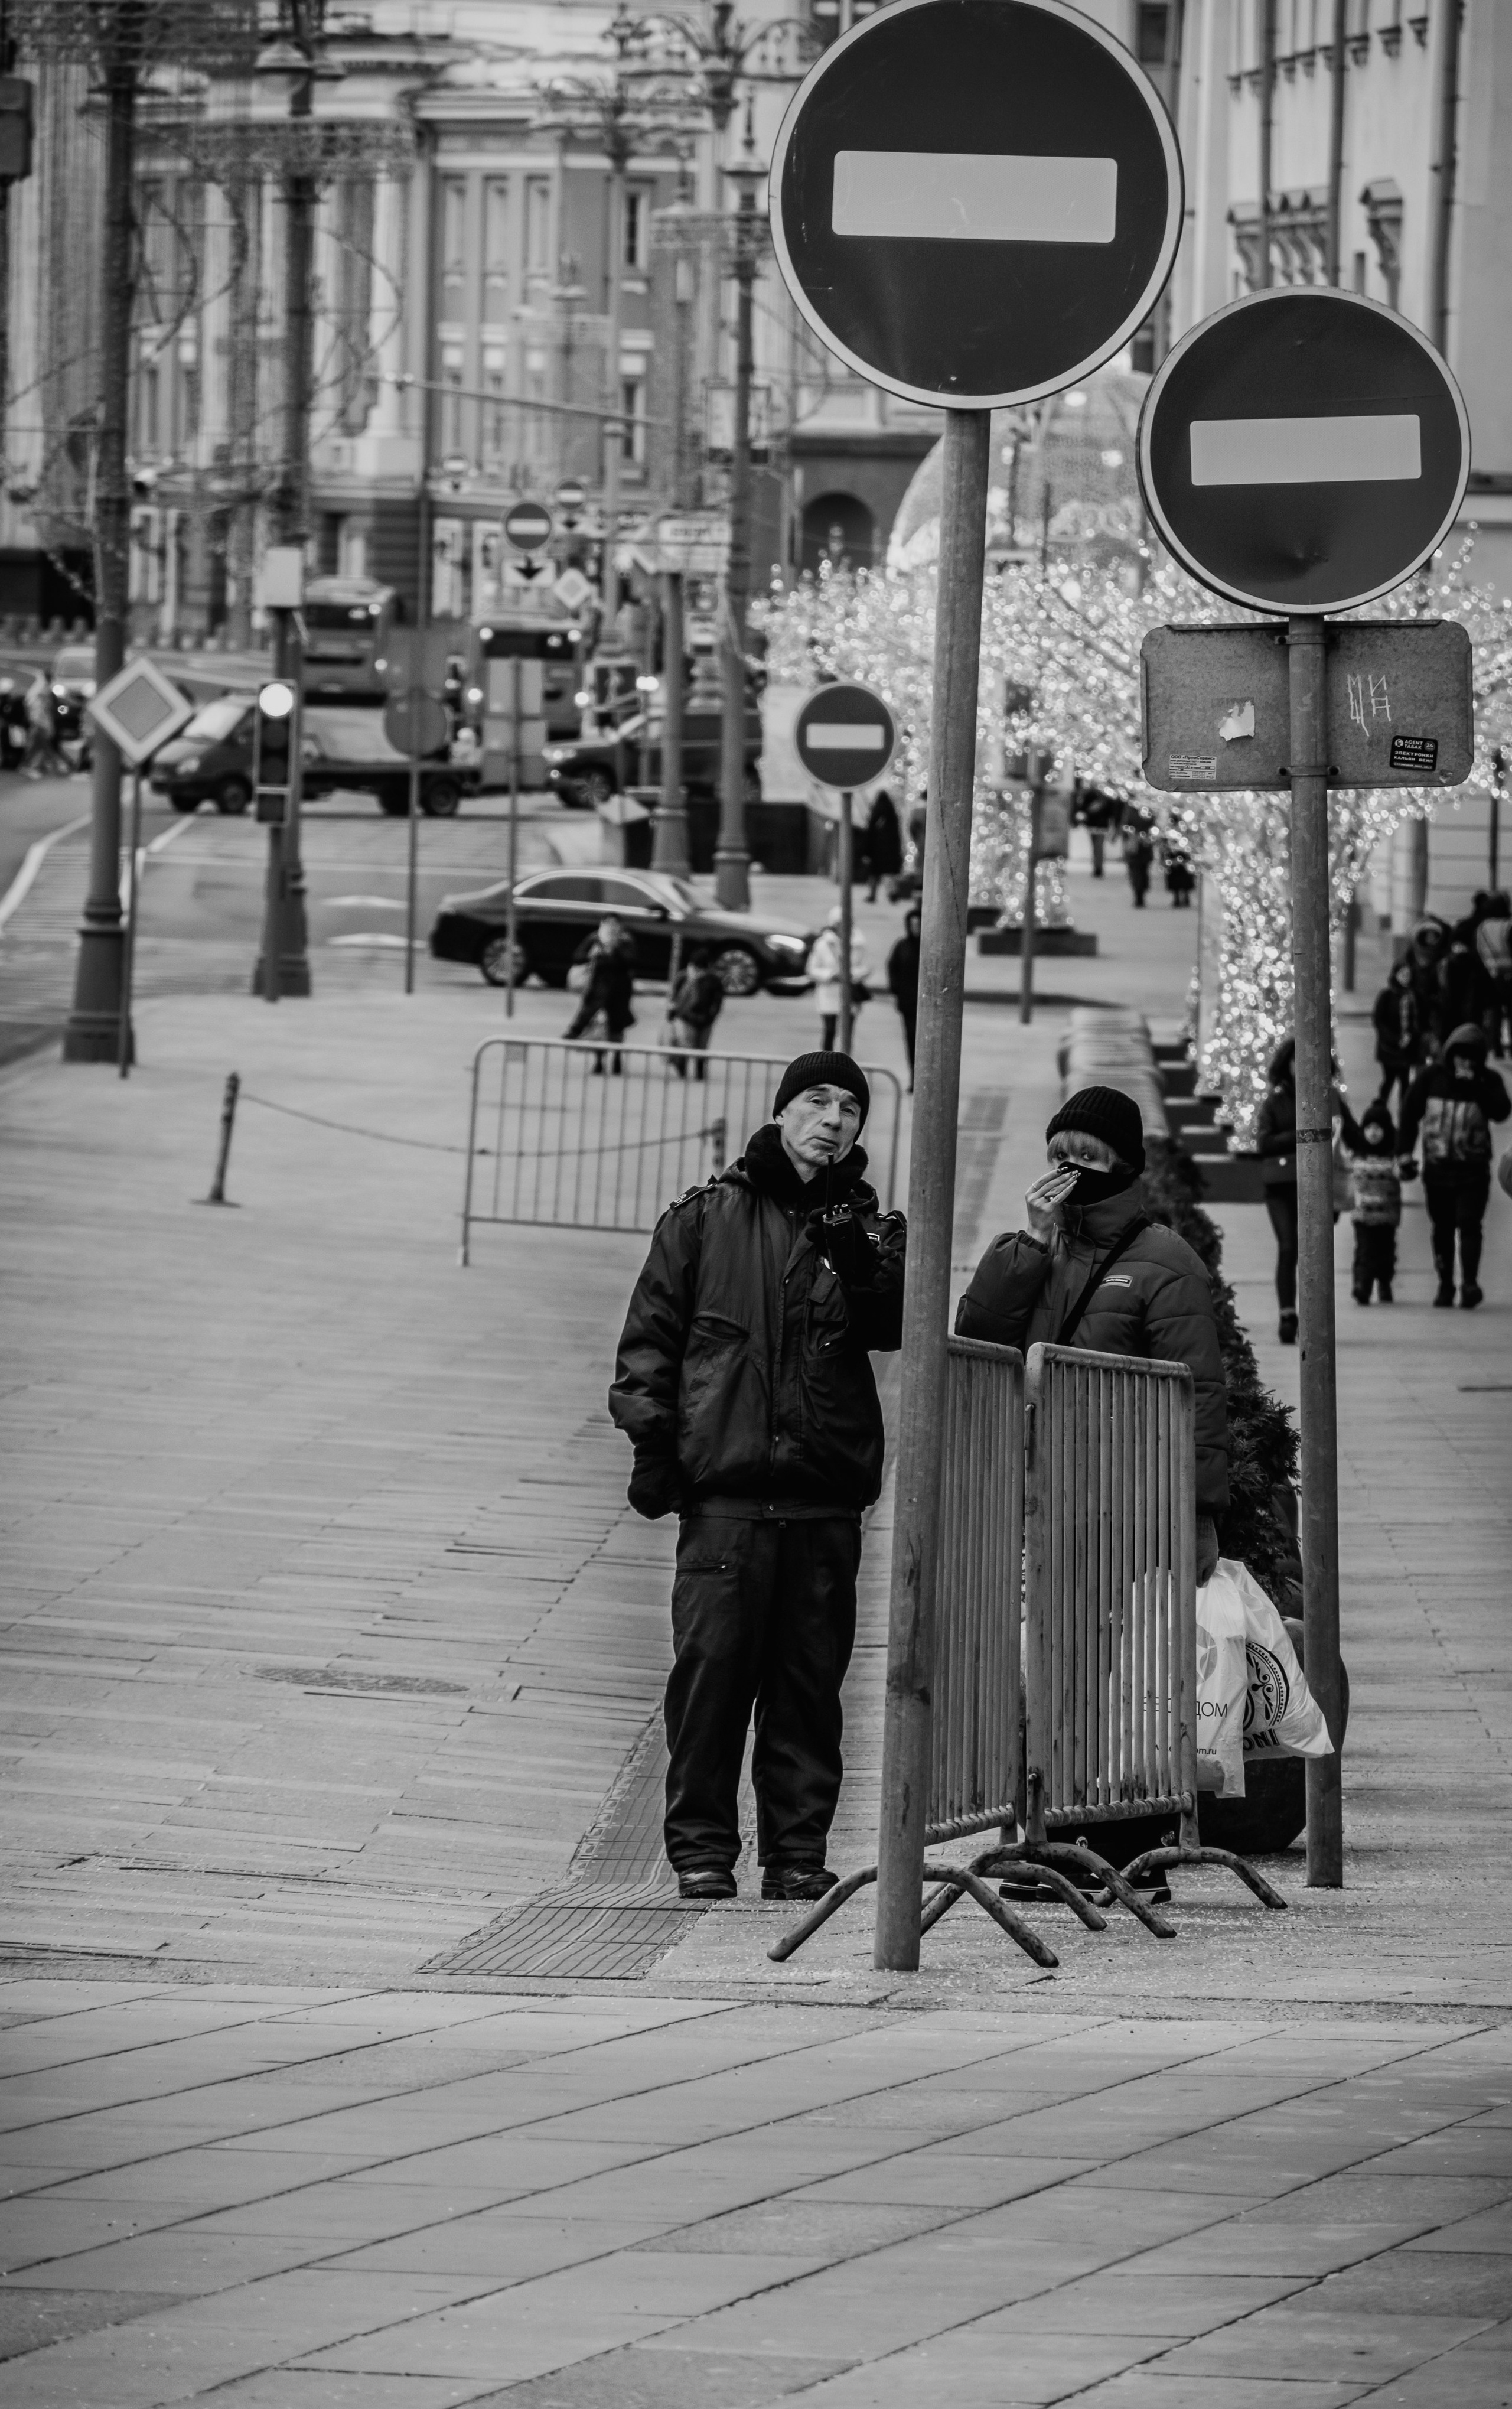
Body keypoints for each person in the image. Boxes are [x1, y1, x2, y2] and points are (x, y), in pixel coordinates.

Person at [609, 1053, 907, 1902]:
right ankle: (702, 1847)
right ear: (782, 1112)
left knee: (809, 1691)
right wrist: (655, 1448)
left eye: (851, 1106)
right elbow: (650, 1344)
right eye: (817, 1100)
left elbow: (891, 1325)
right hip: (728, 1498)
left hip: (822, 1498)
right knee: (709, 1682)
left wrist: (853, 1253)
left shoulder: (877, 1233)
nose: (836, 1118)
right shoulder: (704, 1220)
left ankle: (796, 1852)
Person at [956, 1085, 1229, 1584]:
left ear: (1123, 1167)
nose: (1069, 1168)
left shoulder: (1167, 1263)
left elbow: (1198, 1395)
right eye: (1059, 1155)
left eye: (1088, 1156)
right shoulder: (1034, 1249)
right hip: (1032, 1495)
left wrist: (1198, 1512)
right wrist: (1033, 1239)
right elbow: (978, 1339)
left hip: (1122, 1507)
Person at [1398, 1021, 1511, 1308]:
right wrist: (1404, 1153)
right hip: (1437, 1170)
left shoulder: (1488, 1080)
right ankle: (1445, 1284)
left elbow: (1501, 1111)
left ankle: (1470, 1283)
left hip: (1473, 1171)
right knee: (1443, 1227)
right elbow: (1410, 1113)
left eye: (1472, 1057)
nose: (1465, 1062)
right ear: (1450, 1054)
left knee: (1470, 1224)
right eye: (1460, 1056)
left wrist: (1475, 1085)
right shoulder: (1431, 1078)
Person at [1338, 1097, 1402, 1304]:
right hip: (1363, 1214)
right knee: (1364, 1252)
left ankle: (1384, 1284)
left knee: (1385, 1252)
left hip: (1386, 1216)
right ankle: (1362, 1286)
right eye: (1369, 1128)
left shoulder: (1393, 1154)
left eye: (1379, 1128)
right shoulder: (1358, 1152)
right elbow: (1346, 1124)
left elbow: (1404, 1172)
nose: (1373, 1133)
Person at [564, 913, 636, 1072]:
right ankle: (599, 1061)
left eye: (614, 924)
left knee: (616, 1028)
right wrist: (592, 955)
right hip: (598, 989)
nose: (611, 927)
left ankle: (617, 1058)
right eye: (607, 923)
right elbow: (578, 956)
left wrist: (615, 949)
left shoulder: (625, 940)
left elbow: (630, 961)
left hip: (619, 991)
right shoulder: (595, 939)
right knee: (598, 1027)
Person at [806, 903, 869, 1052]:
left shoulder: (859, 943)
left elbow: (865, 967)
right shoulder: (823, 944)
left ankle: (845, 1065)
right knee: (830, 1031)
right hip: (829, 994)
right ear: (835, 925)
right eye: (842, 923)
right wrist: (831, 975)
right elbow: (811, 969)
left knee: (847, 1035)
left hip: (849, 994)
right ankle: (825, 1062)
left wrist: (851, 975)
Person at [1372, 957, 1427, 1116]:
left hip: (1408, 1048)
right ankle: (1380, 1110)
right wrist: (1395, 1039)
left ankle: (1405, 1112)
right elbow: (1379, 1020)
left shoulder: (1415, 996)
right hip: (1389, 1048)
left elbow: (1421, 1020)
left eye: (1408, 974)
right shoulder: (1387, 995)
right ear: (1395, 975)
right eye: (1402, 974)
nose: (1405, 977)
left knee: (1405, 1081)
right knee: (1388, 1081)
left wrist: (1411, 1036)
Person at [667, 945, 723, 1080]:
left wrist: (671, 1016)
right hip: (690, 1018)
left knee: (696, 1047)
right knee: (692, 1046)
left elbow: (673, 999)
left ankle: (693, 1073)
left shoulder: (688, 978)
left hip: (693, 1018)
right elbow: (717, 1002)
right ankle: (690, 1072)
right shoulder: (707, 979)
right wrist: (711, 1017)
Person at [886, 906, 921, 1089]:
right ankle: (914, 1076)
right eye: (913, 924)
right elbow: (892, 968)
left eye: (919, 924)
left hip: (926, 1003)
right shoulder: (902, 946)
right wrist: (896, 990)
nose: (916, 927)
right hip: (908, 1003)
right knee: (911, 1040)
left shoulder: (928, 946)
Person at [1474, 893, 1512, 1058]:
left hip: (1489, 976)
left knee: (1494, 1012)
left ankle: (1494, 1047)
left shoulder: (1483, 927)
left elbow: (1479, 950)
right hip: (1509, 976)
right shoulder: (1508, 926)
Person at [21, 672, 67, 780]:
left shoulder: (41, 691)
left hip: (42, 723)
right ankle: (57, 766)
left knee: (38, 746)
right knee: (41, 746)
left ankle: (39, 766)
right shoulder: (40, 693)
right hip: (39, 723)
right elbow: (38, 710)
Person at [863, 787, 902, 902]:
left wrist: (866, 852)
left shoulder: (875, 812)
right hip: (890, 850)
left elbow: (870, 833)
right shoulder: (892, 814)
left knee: (874, 874)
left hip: (876, 850)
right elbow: (896, 835)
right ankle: (892, 894)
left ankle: (872, 895)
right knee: (889, 873)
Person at [1123, 821, 1153, 908]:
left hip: (1135, 848)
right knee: (1143, 872)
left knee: (1136, 873)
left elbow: (1125, 827)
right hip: (1144, 846)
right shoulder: (1149, 811)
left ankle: (1139, 895)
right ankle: (1141, 894)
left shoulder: (1130, 811)